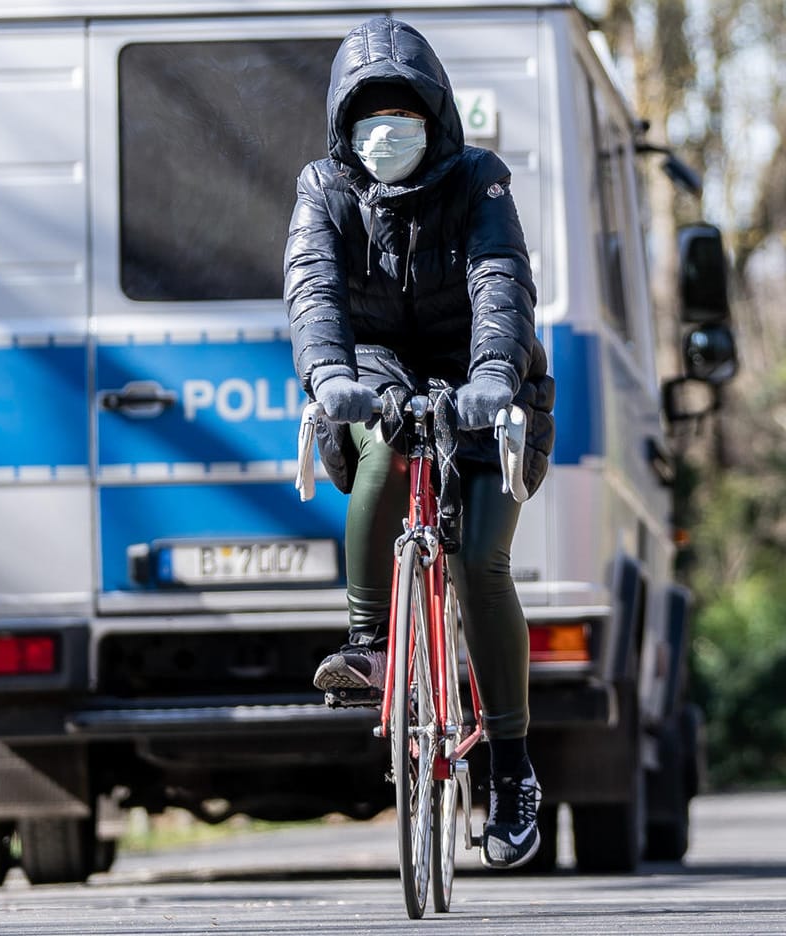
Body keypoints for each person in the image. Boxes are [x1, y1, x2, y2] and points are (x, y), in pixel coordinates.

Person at [282, 17, 556, 870]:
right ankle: (368, 645)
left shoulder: (480, 180)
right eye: (369, 114)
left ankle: (512, 771)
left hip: (487, 381)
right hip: (375, 370)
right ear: (342, 124)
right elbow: (311, 287)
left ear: (437, 115)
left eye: (405, 111)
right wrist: (329, 379)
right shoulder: (323, 188)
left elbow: (499, 283)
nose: (386, 130)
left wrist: (493, 383)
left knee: (480, 561)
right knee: (381, 453)